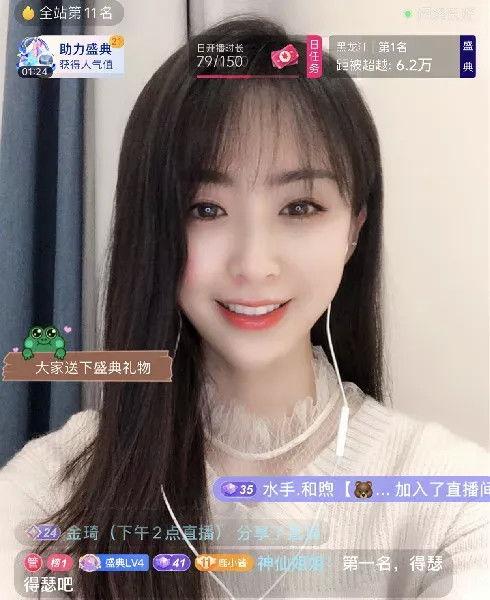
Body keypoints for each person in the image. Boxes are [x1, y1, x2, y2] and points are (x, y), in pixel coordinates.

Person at [0, 14, 488, 600]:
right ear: (153, 227)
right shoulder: (50, 491)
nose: (254, 265)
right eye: (205, 209)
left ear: (354, 228)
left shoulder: (447, 497)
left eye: (300, 207)